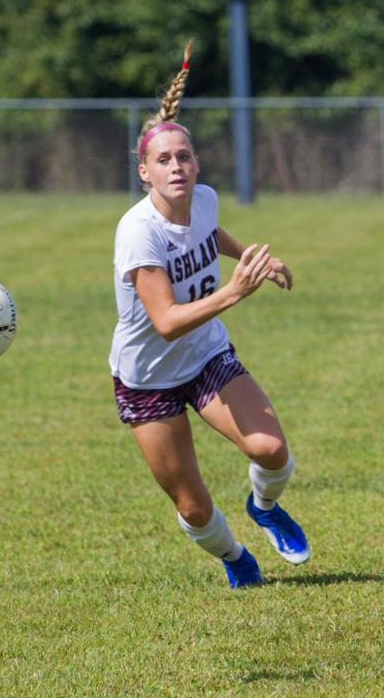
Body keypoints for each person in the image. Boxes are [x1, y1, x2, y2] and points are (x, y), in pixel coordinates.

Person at [109, 41, 309, 589]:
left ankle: (264, 508)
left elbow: (208, 233)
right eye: (164, 161)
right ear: (144, 172)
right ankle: (235, 557)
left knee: (272, 452)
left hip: (205, 357)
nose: (177, 167)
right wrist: (235, 291)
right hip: (147, 380)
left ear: (196, 163)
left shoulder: (206, 198)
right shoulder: (137, 232)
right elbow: (167, 321)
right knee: (195, 509)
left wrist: (251, 260)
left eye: (185, 158)